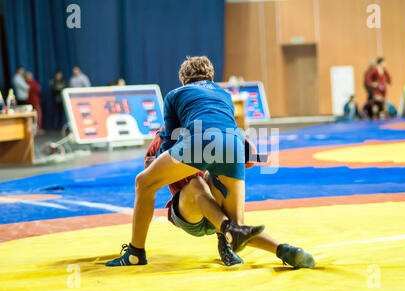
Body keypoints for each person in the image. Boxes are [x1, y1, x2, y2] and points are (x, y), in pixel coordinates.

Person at [106, 56, 313, 268]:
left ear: (184, 81)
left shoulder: (175, 99)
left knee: (147, 183)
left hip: (193, 211)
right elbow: (248, 154)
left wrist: (163, 159)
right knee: (228, 214)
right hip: (228, 149)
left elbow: (162, 154)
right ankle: (275, 248)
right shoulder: (224, 96)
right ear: (211, 79)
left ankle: (135, 253)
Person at [139, 127, 315, 268]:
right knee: (197, 183)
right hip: (190, 212)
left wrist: (241, 147)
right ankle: (228, 235)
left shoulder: (216, 126)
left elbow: (249, 159)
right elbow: (147, 179)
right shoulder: (165, 136)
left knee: (221, 174)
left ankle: (282, 250)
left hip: (217, 206)